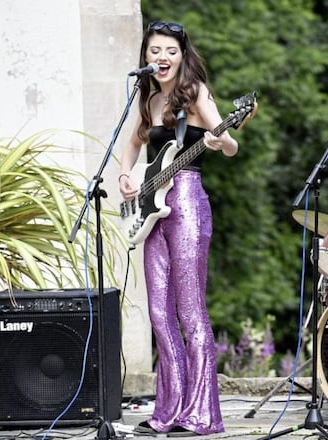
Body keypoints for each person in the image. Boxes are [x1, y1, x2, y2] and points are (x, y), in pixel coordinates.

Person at [119, 21, 239, 436]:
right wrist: (125, 176)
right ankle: (168, 411)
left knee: (190, 310)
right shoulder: (149, 99)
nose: (162, 58)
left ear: (182, 55)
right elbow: (134, 144)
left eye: (170, 51)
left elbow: (231, 144)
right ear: (146, 58)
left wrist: (219, 140)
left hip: (188, 201)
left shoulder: (196, 94)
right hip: (152, 208)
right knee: (158, 311)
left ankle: (202, 414)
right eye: (154, 51)